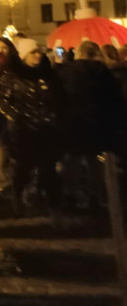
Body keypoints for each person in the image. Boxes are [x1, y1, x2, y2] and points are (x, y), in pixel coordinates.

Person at [0, 38, 67, 221]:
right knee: (23, 166)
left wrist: (56, 114)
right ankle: (18, 198)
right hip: (22, 129)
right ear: (24, 55)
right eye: (33, 52)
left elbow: (61, 97)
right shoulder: (12, 75)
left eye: (39, 52)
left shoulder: (49, 74)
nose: (37, 55)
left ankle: (54, 208)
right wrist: (16, 116)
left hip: (47, 128)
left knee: (49, 168)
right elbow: (1, 100)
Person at [58, 40, 122, 210]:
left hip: (72, 122)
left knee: (72, 159)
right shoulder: (103, 72)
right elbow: (115, 99)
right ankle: (96, 195)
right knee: (94, 160)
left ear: (78, 53)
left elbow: (58, 97)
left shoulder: (66, 71)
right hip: (97, 122)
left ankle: (71, 194)